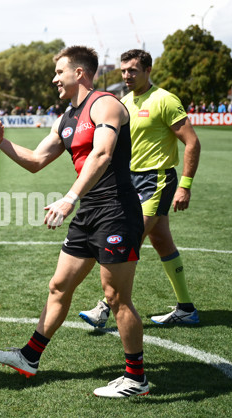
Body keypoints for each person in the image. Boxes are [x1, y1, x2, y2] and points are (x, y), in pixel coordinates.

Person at [0, 45, 148, 398]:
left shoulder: (105, 104)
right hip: (89, 210)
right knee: (59, 286)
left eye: (59, 72)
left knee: (116, 297)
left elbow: (102, 154)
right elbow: (35, 159)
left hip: (116, 210)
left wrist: (69, 197)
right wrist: (0, 141)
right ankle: (29, 357)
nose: (55, 79)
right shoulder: (66, 117)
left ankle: (136, 379)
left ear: (79, 73)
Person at [79, 49, 201, 327]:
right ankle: (186, 309)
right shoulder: (122, 102)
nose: (126, 75)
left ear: (148, 71)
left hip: (157, 180)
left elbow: (192, 142)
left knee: (128, 238)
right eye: (123, 70)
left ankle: (103, 308)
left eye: (133, 70)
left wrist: (185, 185)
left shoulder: (165, 100)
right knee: (160, 240)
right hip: (129, 181)